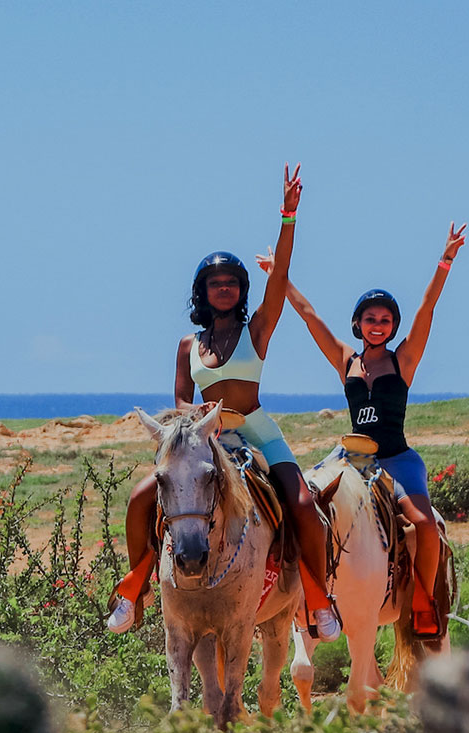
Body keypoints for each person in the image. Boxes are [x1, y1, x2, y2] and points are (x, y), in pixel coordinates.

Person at [106, 165, 340, 641]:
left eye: (232, 282)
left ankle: (318, 601)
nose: (225, 288)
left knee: (302, 504)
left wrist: (288, 217)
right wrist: (195, 423)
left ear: (242, 290)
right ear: (203, 293)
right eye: (216, 283)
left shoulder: (258, 330)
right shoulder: (187, 346)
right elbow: (180, 402)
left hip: (256, 431)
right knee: (141, 498)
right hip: (206, 440)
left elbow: (281, 279)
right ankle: (136, 590)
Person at [272, 222, 467, 637]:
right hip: (352, 457)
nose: (378, 324)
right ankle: (303, 595)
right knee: (300, 502)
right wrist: (279, 277)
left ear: (393, 326)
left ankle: (423, 601)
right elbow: (308, 315)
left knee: (425, 525)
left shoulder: (403, 360)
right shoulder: (346, 360)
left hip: (396, 459)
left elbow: (427, 309)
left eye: (385, 320)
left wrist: (445, 261)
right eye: (370, 318)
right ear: (357, 324)